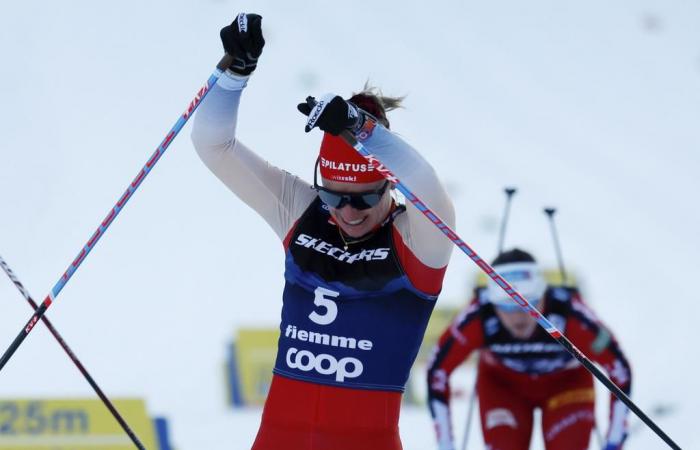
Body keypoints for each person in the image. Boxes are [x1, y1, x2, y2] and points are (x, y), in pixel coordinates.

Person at [191, 13, 455, 450]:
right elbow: (213, 145)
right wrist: (233, 73)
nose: (347, 211)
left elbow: (428, 185)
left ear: (389, 182)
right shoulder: (301, 211)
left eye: (364, 199)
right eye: (333, 196)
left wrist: (362, 130)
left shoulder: (417, 240)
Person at [426, 249, 632, 450]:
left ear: (544, 294)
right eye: (506, 305)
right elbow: (438, 370)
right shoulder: (479, 315)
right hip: (504, 387)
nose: (518, 316)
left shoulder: (570, 313)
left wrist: (614, 440)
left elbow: (619, 368)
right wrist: (446, 444)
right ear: (491, 300)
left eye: (530, 303)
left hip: (566, 385)